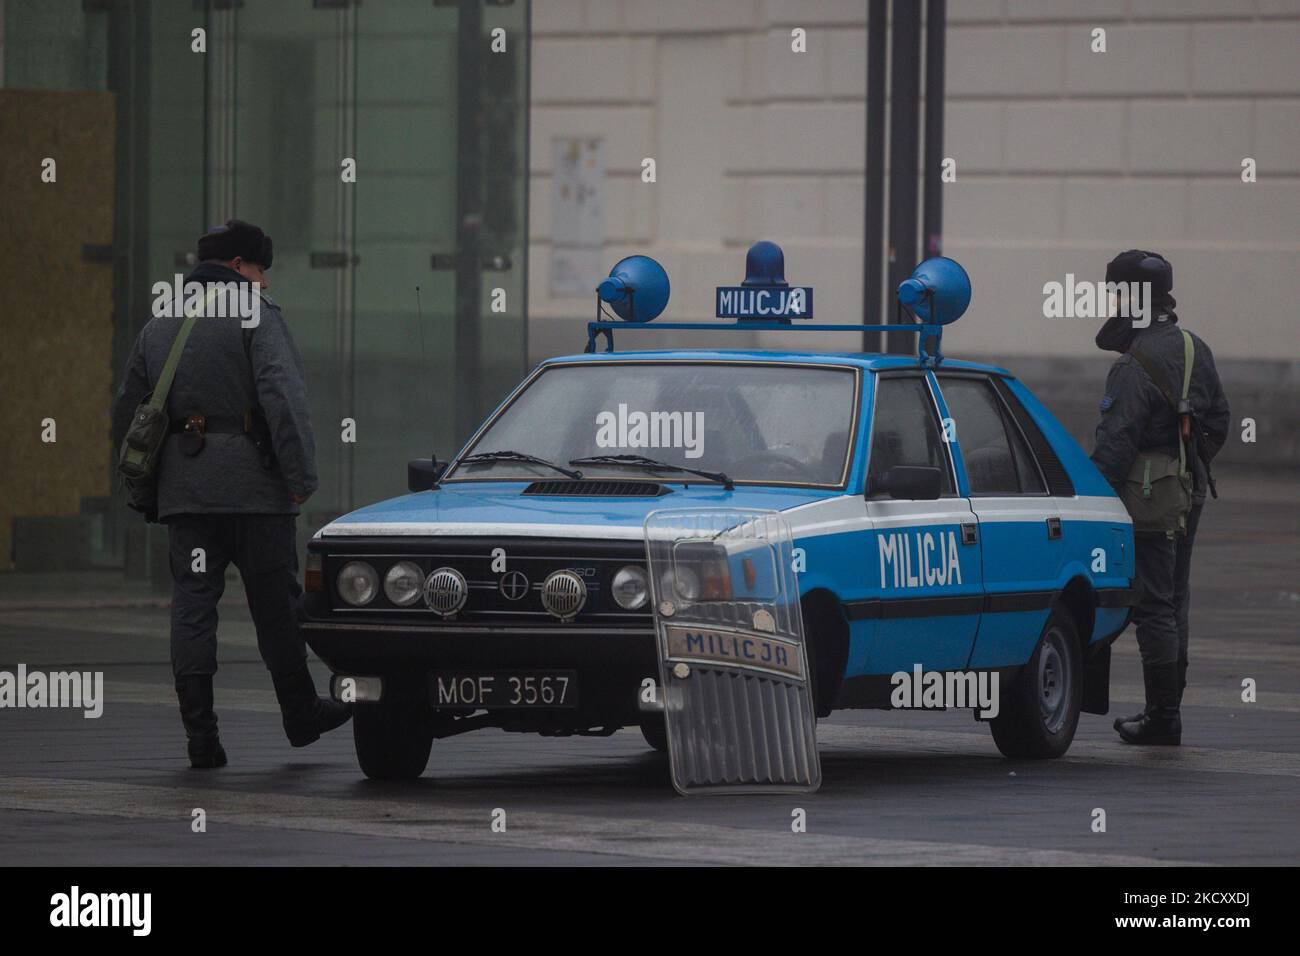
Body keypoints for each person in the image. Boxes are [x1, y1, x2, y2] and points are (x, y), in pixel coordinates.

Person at [112, 219, 350, 768]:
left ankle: (201, 736)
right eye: (260, 270)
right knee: (276, 608)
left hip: (187, 497)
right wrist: (299, 480)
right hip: (256, 494)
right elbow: (283, 402)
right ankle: (300, 715)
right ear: (240, 267)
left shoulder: (161, 321)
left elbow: (129, 410)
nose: (265, 283)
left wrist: (154, 488)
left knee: (192, 608)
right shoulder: (257, 317)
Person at [1090, 250, 1230, 746]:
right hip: (1187, 495)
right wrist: (1186, 463)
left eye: (1115, 293)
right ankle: (1169, 709)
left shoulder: (1134, 366)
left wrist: (1093, 501)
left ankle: (1163, 716)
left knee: (1152, 603)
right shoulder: (1195, 348)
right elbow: (1218, 423)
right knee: (1176, 601)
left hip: (1146, 499)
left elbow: (1113, 448)